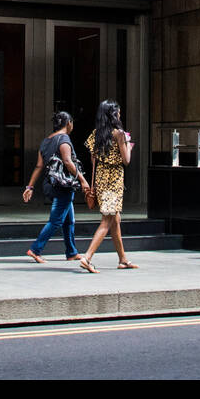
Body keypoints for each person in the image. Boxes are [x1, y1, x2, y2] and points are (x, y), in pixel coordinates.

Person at [22, 111, 90, 263]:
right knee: (56, 221)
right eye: (72, 123)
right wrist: (83, 180)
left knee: (68, 220)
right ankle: (35, 249)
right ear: (68, 123)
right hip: (62, 185)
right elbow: (67, 161)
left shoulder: (46, 141)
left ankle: (71, 252)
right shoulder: (64, 139)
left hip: (50, 184)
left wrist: (30, 186)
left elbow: (39, 166)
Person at [78, 100, 137, 273]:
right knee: (107, 221)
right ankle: (87, 257)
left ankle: (123, 259)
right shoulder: (119, 134)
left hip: (101, 180)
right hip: (114, 180)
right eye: (118, 112)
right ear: (113, 114)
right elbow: (126, 160)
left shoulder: (96, 134)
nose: (120, 114)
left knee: (115, 219)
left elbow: (92, 160)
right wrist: (129, 146)